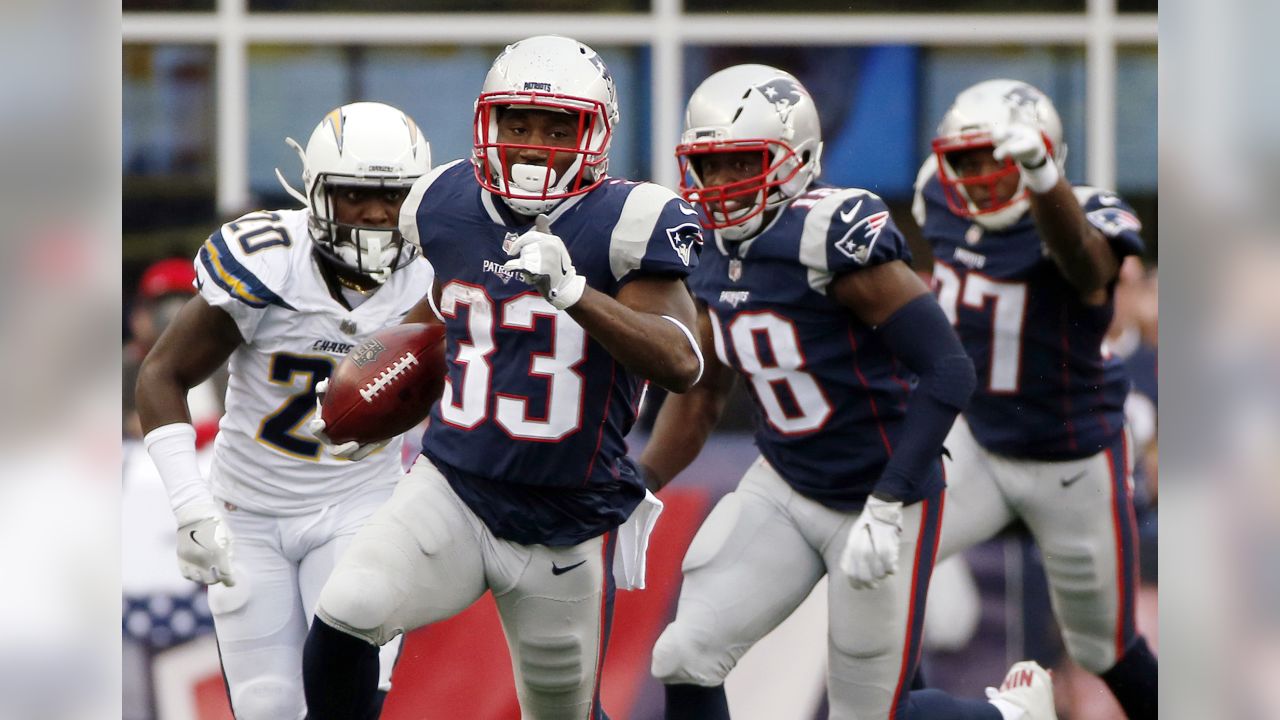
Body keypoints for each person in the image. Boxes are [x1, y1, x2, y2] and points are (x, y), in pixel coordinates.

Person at [300, 35, 704, 720]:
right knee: (348, 610)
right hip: (452, 490)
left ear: (596, 133)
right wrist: (363, 383)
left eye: (557, 126)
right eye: (516, 122)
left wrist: (576, 293)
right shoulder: (444, 201)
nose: (531, 141)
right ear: (488, 122)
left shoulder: (630, 221)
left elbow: (681, 361)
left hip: (566, 520)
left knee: (560, 712)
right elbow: (440, 318)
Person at [642, 64, 1057, 720]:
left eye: (741, 163)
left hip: (880, 497)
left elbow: (950, 369)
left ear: (797, 158)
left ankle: (1010, 716)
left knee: (867, 715)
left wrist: (890, 502)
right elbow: (703, 391)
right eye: (708, 165)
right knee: (683, 655)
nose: (720, 185)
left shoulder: (828, 236)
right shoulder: (704, 249)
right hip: (784, 486)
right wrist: (641, 485)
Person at [134, 101, 434, 720]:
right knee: (267, 705)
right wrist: (192, 508)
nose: (378, 213)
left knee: (348, 699)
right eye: (356, 193)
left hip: (360, 504)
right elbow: (163, 374)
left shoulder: (434, 271)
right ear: (317, 193)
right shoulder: (269, 259)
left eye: (394, 196)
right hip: (250, 513)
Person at [915, 78, 1158, 719]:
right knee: (881, 576)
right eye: (968, 159)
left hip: (1070, 458)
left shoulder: (1089, 210)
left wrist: (1043, 183)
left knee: (1104, 647)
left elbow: (1086, 266)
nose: (982, 175)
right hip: (979, 441)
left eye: (1002, 158)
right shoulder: (934, 196)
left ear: (1047, 155)